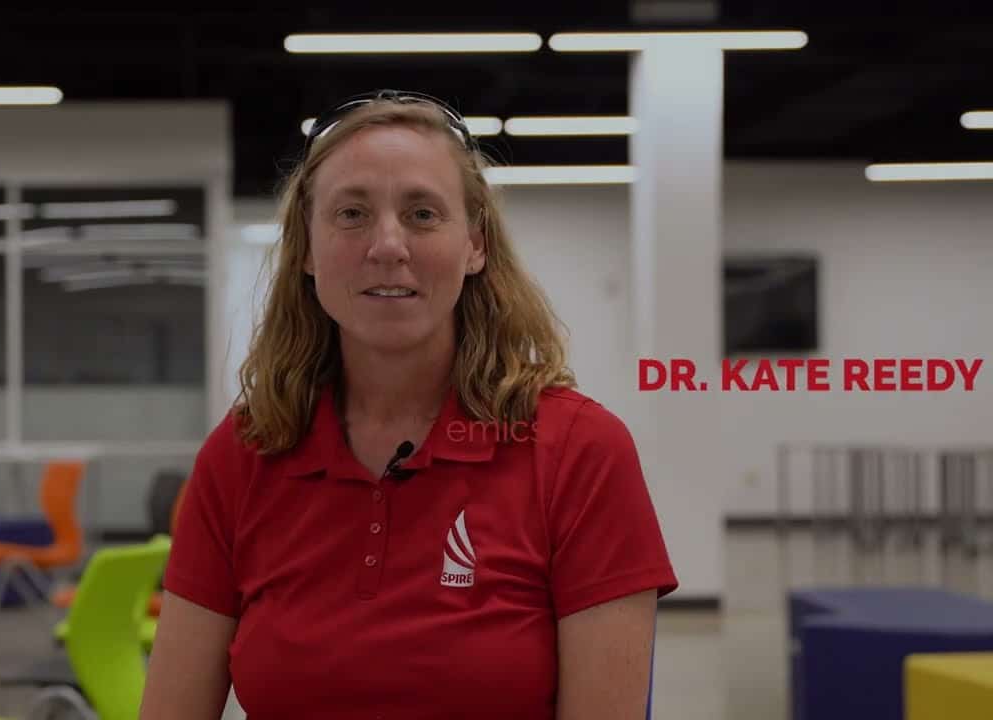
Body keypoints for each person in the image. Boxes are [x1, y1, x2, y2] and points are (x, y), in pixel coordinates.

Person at [140, 89, 678, 720]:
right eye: (351, 214)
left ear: (475, 244)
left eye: (422, 214)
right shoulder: (243, 454)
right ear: (307, 249)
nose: (387, 244)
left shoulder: (580, 452)